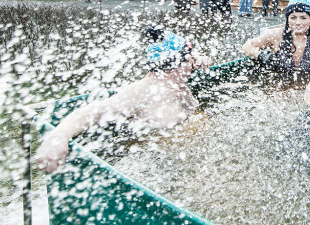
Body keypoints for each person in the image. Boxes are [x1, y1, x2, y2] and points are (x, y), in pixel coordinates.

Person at [36, 28, 212, 173]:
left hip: (186, 158)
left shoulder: (178, 84)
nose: (194, 61)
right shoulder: (143, 91)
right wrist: (59, 136)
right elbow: (91, 112)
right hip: (159, 168)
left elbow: (193, 57)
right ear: (178, 62)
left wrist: (201, 57)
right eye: (190, 57)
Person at [242, 0, 310, 81]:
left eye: (303, 18)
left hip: (308, 86)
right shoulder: (275, 35)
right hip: (279, 88)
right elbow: (247, 46)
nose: (298, 22)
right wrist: (263, 57)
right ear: (287, 19)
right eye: (293, 18)